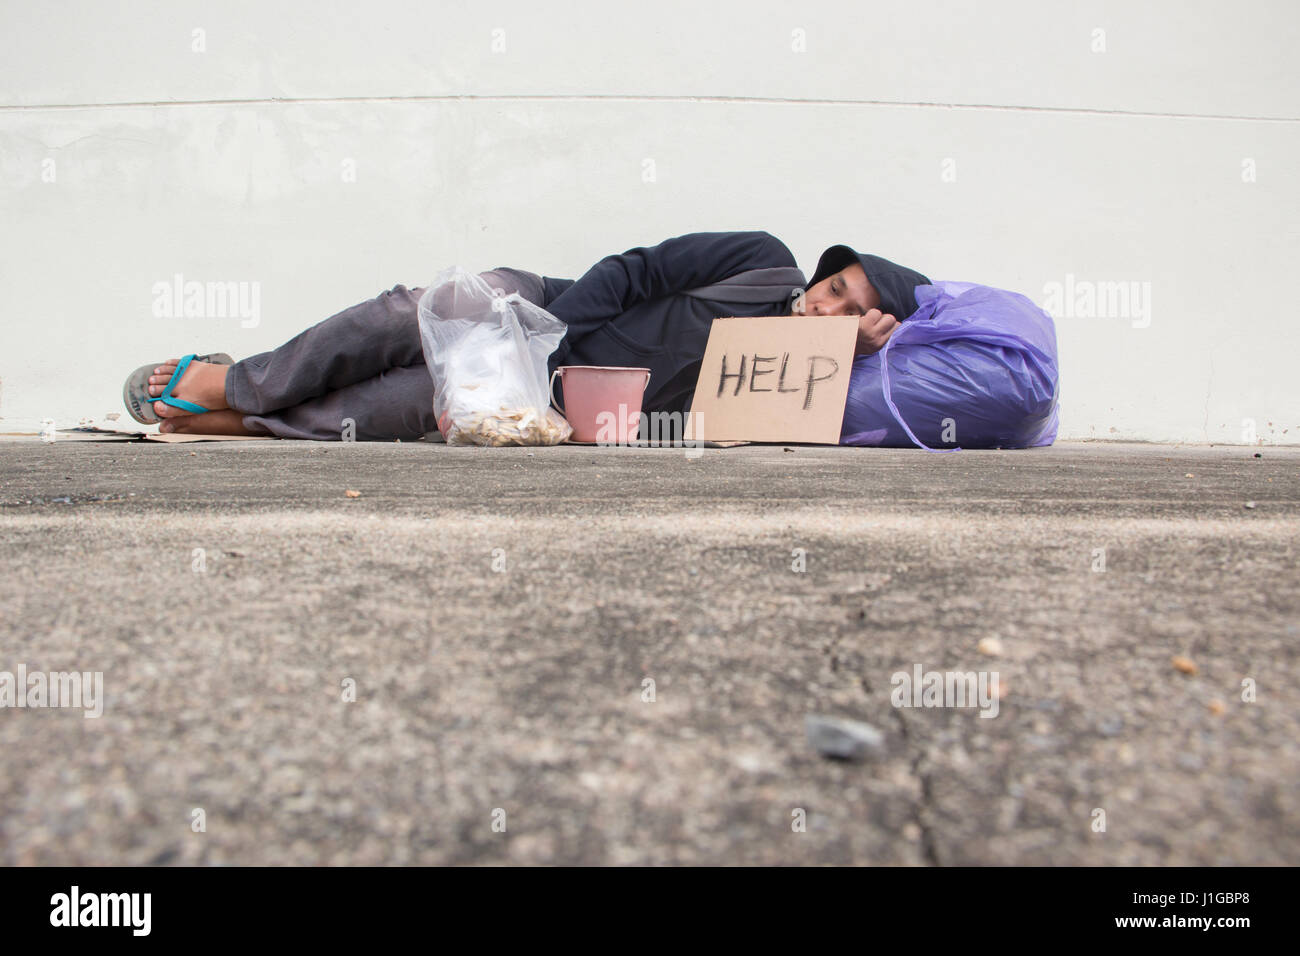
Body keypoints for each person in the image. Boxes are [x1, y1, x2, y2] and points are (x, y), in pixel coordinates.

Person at [122, 231, 931, 441]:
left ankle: (247, 422)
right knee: (406, 314)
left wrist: (841, 356)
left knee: (384, 416)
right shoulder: (763, 263)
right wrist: (544, 333)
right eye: (831, 288)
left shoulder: (779, 389)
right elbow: (634, 268)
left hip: (538, 403)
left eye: (845, 308)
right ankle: (234, 384)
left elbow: (683, 428)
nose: (823, 306)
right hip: (541, 308)